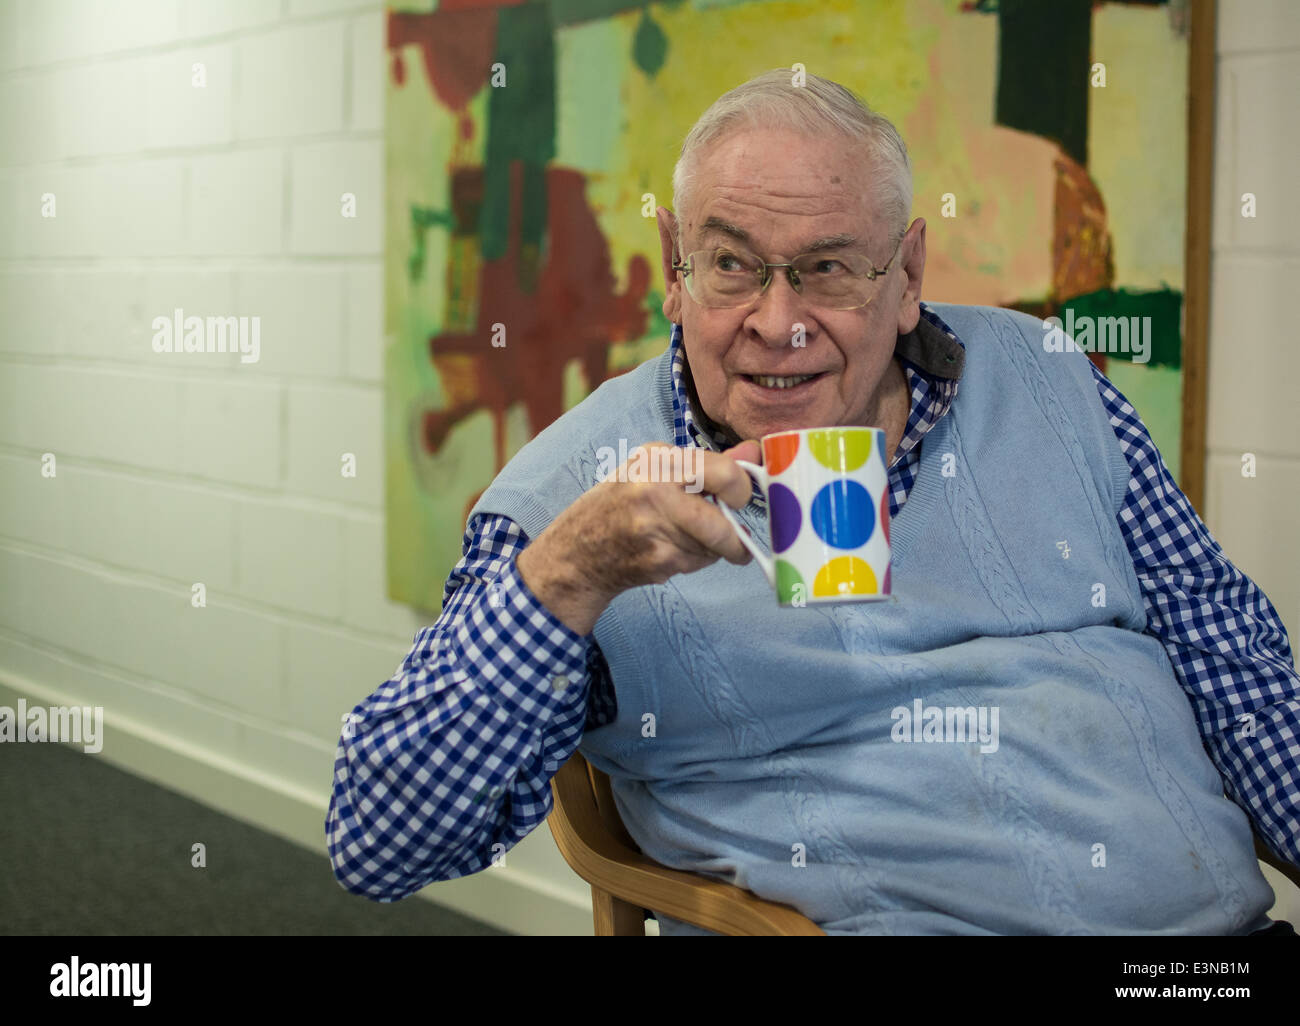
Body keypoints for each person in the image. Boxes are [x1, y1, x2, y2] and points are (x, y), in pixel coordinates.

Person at [326, 70, 1299, 935]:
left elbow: (1232, 663)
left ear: (907, 274)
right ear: (672, 264)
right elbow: (379, 844)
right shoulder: (573, 501)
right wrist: (563, 584)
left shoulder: (1047, 377)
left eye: (828, 268)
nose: (778, 324)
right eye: (731, 264)